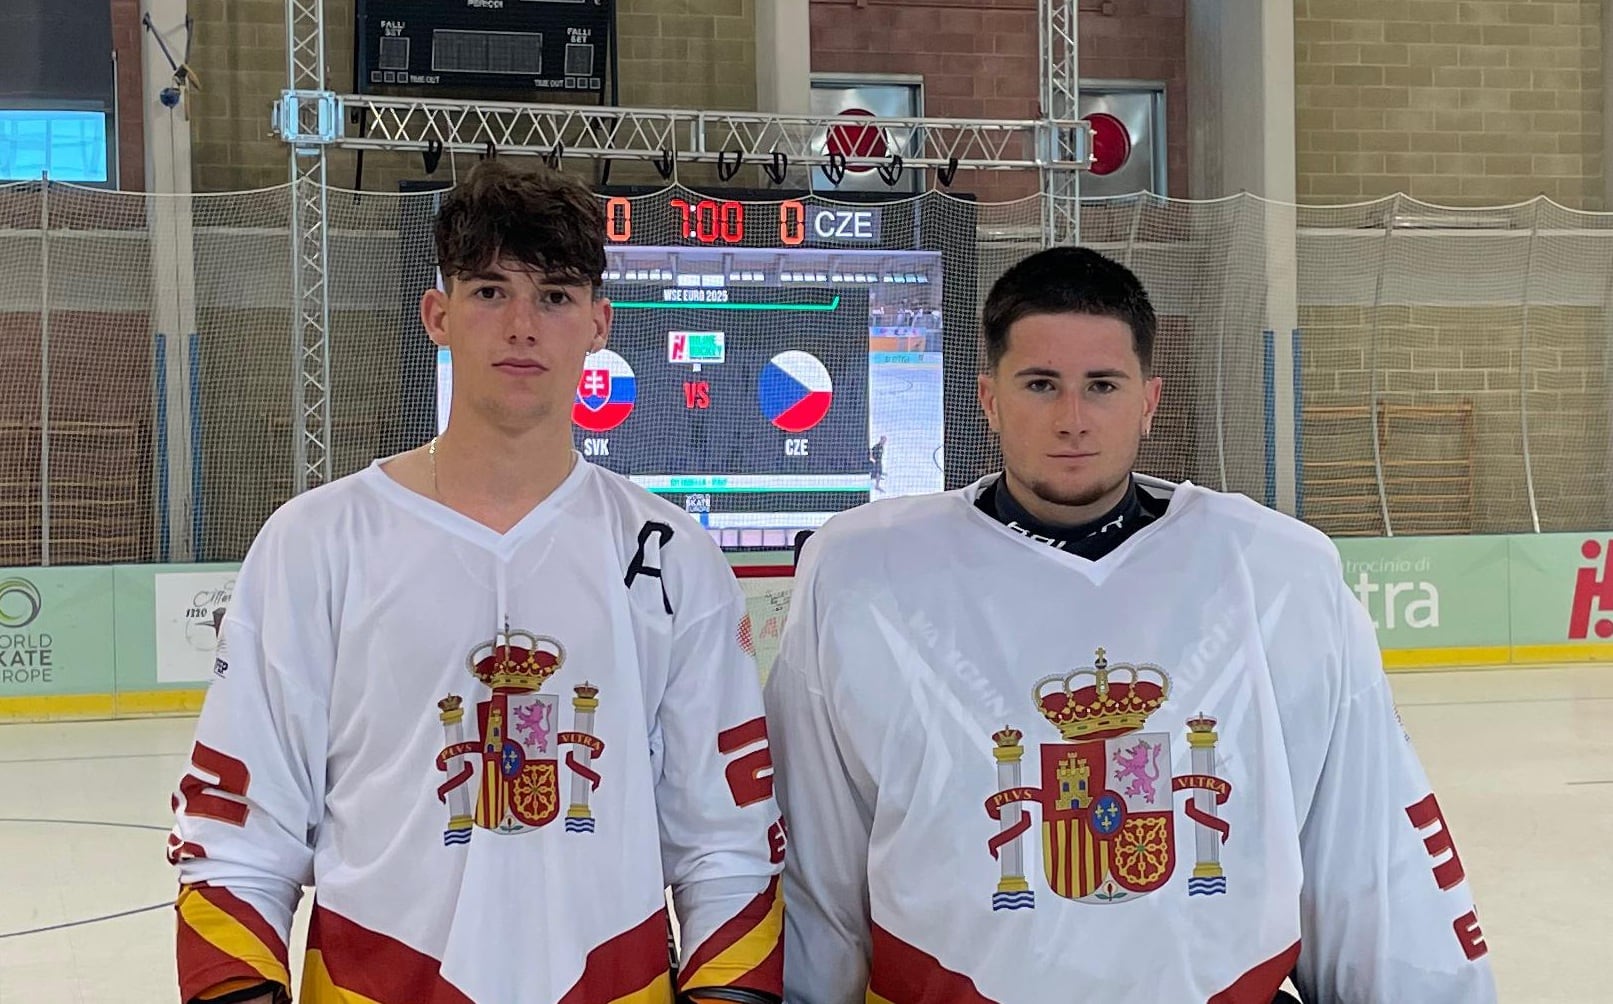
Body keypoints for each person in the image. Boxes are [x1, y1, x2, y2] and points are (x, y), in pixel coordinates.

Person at [763, 246, 1496, 1003]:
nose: (1072, 419)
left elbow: (1369, 859)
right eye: (1040, 384)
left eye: (1102, 385)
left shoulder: (1281, 573)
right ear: (989, 400)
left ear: (1148, 401)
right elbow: (813, 868)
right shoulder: (861, 573)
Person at [168, 160, 785, 1004]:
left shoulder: (673, 555)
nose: (522, 326)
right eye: (491, 291)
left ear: (598, 323)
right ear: (438, 315)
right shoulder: (316, 541)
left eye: (555, 296)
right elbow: (236, 828)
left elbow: (728, 842)